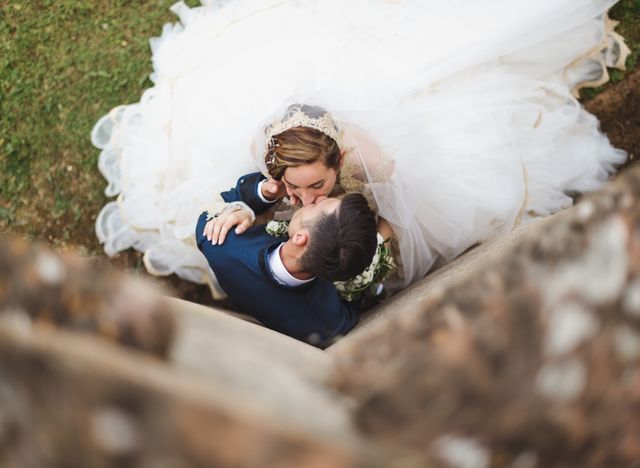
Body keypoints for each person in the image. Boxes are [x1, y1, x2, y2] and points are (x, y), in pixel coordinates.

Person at [93, 0, 629, 297]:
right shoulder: (271, 160)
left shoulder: (363, 157)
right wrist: (255, 200)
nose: (302, 199)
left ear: (339, 163)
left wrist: (364, 214)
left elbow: (391, 181)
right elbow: (266, 191)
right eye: (295, 187)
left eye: (316, 186)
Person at [195, 177, 378, 347]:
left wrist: (258, 198)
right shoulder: (328, 325)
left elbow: (211, 208)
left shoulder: (220, 244)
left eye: (315, 205)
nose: (317, 197)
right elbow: (352, 307)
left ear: (299, 238)